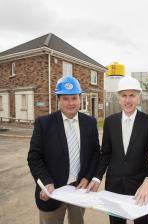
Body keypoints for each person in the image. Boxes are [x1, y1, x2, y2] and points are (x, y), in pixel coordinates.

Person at [89, 76, 148, 224]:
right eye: (124, 95)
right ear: (119, 98)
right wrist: (97, 177)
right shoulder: (110, 122)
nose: (128, 100)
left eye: (132, 95)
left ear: (139, 98)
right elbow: (105, 154)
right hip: (114, 188)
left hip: (141, 189)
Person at [27, 76, 101, 224]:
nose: (71, 103)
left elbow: (95, 154)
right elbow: (34, 157)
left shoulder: (90, 123)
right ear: (58, 100)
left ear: (80, 99)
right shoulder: (44, 124)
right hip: (52, 192)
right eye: (65, 99)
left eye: (74, 98)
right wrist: (46, 182)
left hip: (79, 190)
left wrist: (87, 177)